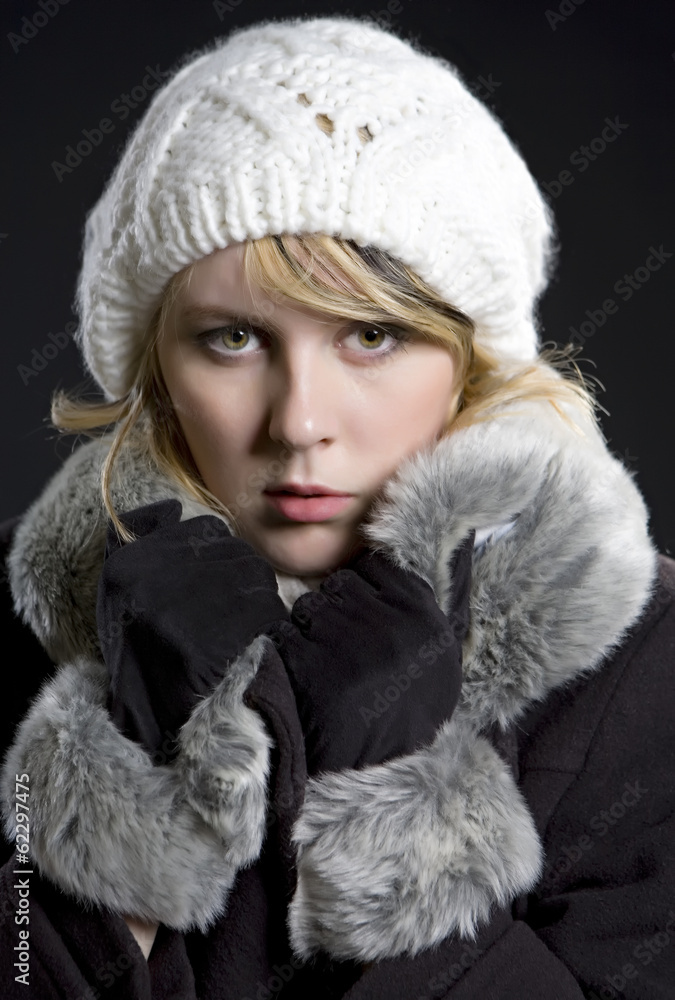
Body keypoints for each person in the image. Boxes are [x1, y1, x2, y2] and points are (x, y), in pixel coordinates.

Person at [0, 13, 673, 1000]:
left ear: (468, 363)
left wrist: (391, 814)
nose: (300, 421)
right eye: (232, 338)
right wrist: (127, 795)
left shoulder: (649, 665)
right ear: (155, 370)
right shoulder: (23, 626)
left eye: (370, 334)